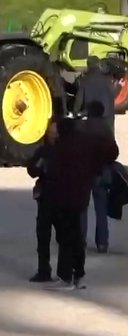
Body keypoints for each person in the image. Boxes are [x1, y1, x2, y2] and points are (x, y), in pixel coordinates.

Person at [43, 111, 119, 290]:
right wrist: (97, 168)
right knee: (76, 236)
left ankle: (65, 276)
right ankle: (79, 275)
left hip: (64, 197)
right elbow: (110, 151)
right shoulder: (86, 142)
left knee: (66, 238)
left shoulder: (61, 148)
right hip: (81, 195)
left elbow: (55, 174)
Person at [74, 56, 116, 253]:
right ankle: (102, 242)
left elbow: (77, 106)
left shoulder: (84, 128)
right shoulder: (107, 82)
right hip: (103, 168)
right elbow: (114, 151)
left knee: (82, 206)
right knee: (101, 207)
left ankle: (80, 239)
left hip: (85, 171)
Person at [27, 122, 58, 283]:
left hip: (61, 199)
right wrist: (39, 168)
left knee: (64, 238)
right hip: (45, 199)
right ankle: (44, 270)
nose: (52, 134)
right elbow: (31, 170)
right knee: (43, 237)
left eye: (54, 132)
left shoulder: (65, 151)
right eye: (50, 132)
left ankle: (65, 271)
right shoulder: (42, 151)